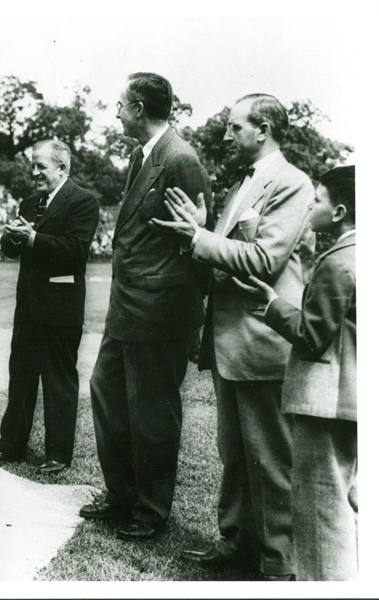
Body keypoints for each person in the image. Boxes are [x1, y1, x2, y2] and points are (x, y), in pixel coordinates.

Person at [151, 93, 314, 580]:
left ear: (263, 129)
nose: (225, 135)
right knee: (236, 454)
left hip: (262, 343)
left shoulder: (291, 182)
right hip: (231, 345)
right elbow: (231, 251)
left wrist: (199, 238)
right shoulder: (247, 183)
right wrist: (201, 231)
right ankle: (238, 543)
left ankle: (278, 562)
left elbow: (265, 259)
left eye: (234, 126)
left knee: (270, 460)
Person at [79, 73, 211, 539]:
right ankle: (122, 495)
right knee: (107, 393)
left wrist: (188, 323)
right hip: (127, 308)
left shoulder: (180, 158)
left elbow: (199, 241)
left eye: (119, 104)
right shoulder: (144, 155)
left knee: (153, 413)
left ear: (138, 107)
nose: (115, 112)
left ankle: (151, 509)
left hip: (159, 312)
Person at [241, 165, 356, 580]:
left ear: (340, 211)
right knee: (349, 504)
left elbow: (312, 334)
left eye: (319, 200)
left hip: (327, 404)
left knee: (322, 511)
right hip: (355, 403)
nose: (311, 205)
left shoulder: (341, 260)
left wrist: (273, 304)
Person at [0, 140, 99, 473]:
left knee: (59, 381)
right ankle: (10, 445)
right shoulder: (30, 202)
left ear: (61, 167)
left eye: (40, 166)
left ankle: (58, 453)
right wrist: (12, 235)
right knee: (21, 377)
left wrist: (32, 238)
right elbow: (10, 250)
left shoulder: (83, 202)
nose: (34, 173)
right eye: (33, 166)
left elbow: (75, 250)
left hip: (60, 308)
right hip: (28, 307)